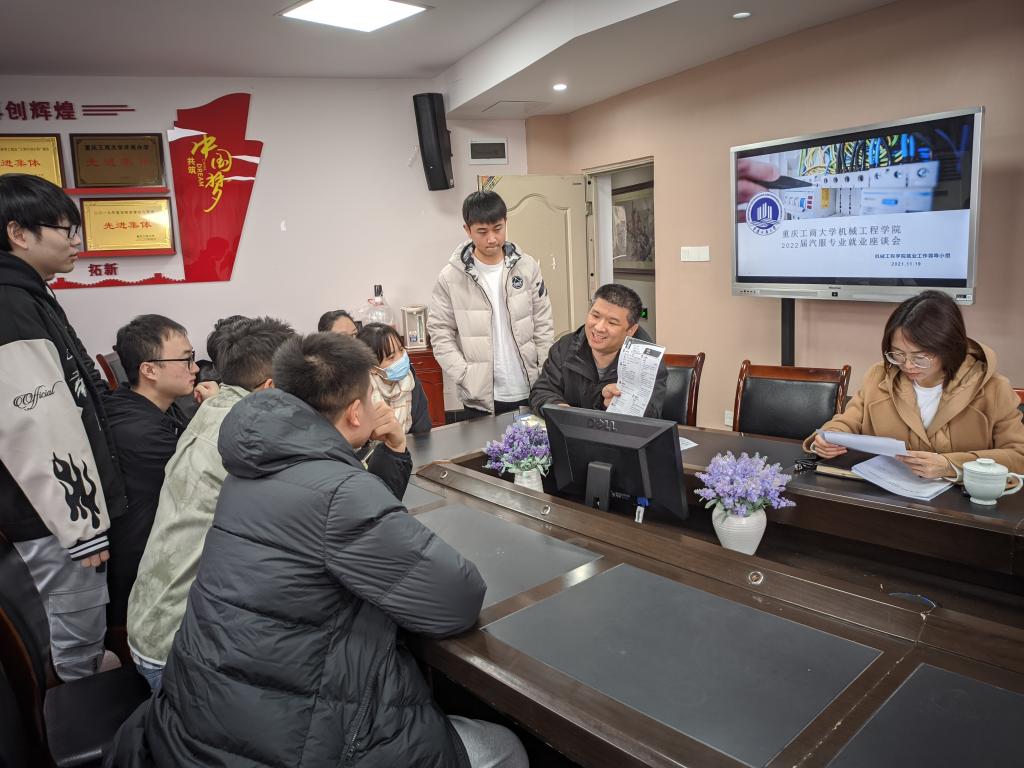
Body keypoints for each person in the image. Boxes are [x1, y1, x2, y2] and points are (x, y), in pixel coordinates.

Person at [110, 332, 528, 768]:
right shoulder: (336, 492)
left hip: (200, 722)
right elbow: (455, 600)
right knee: (503, 749)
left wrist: (390, 449)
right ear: (355, 411)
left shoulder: (251, 467)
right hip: (290, 742)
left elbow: (347, 526)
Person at [0, 174, 124, 681]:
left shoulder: (28, 293)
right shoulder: (10, 304)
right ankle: (79, 706)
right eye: (65, 229)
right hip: (51, 519)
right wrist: (82, 527)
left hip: (58, 512)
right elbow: (36, 421)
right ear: (18, 233)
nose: (76, 241)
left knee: (82, 628)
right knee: (74, 637)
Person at [125, 316, 293, 690]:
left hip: (153, 622)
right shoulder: (251, 433)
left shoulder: (218, 407)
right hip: (178, 649)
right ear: (271, 387)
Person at [808, 290, 1024, 478]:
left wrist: (951, 466)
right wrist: (827, 437)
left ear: (949, 348)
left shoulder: (994, 389)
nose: (908, 365)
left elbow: (1018, 455)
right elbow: (848, 422)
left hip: (961, 503)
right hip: (886, 496)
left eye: (920, 357)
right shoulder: (879, 376)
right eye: (898, 354)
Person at [102, 315, 198, 634]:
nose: (195, 369)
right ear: (150, 370)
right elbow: (205, 476)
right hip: (142, 588)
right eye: (186, 360)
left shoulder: (139, 404)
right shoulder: (140, 433)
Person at [428, 190, 554, 418]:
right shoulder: (451, 277)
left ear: (506, 222)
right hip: (480, 396)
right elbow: (440, 333)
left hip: (531, 387)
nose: (492, 239)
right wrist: (466, 375)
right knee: (485, 443)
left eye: (498, 228)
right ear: (467, 230)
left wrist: (545, 372)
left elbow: (543, 322)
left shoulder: (527, 267)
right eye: (482, 232)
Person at [530, 283, 667, 418]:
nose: (599, 327)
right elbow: (542, 391)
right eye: (595, 316)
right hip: (570, 430)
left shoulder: (648, 362)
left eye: (612, 322)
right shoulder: (565, 346)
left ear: (631, 330)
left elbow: (652, 415)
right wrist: (559, 409)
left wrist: (618, 405)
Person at [357, 321, 431, 434]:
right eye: (391, 357)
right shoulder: (362, 392)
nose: (401, 358)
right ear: (372, 368)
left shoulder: (411, 381)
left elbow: (422, 429)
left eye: (401, 350)